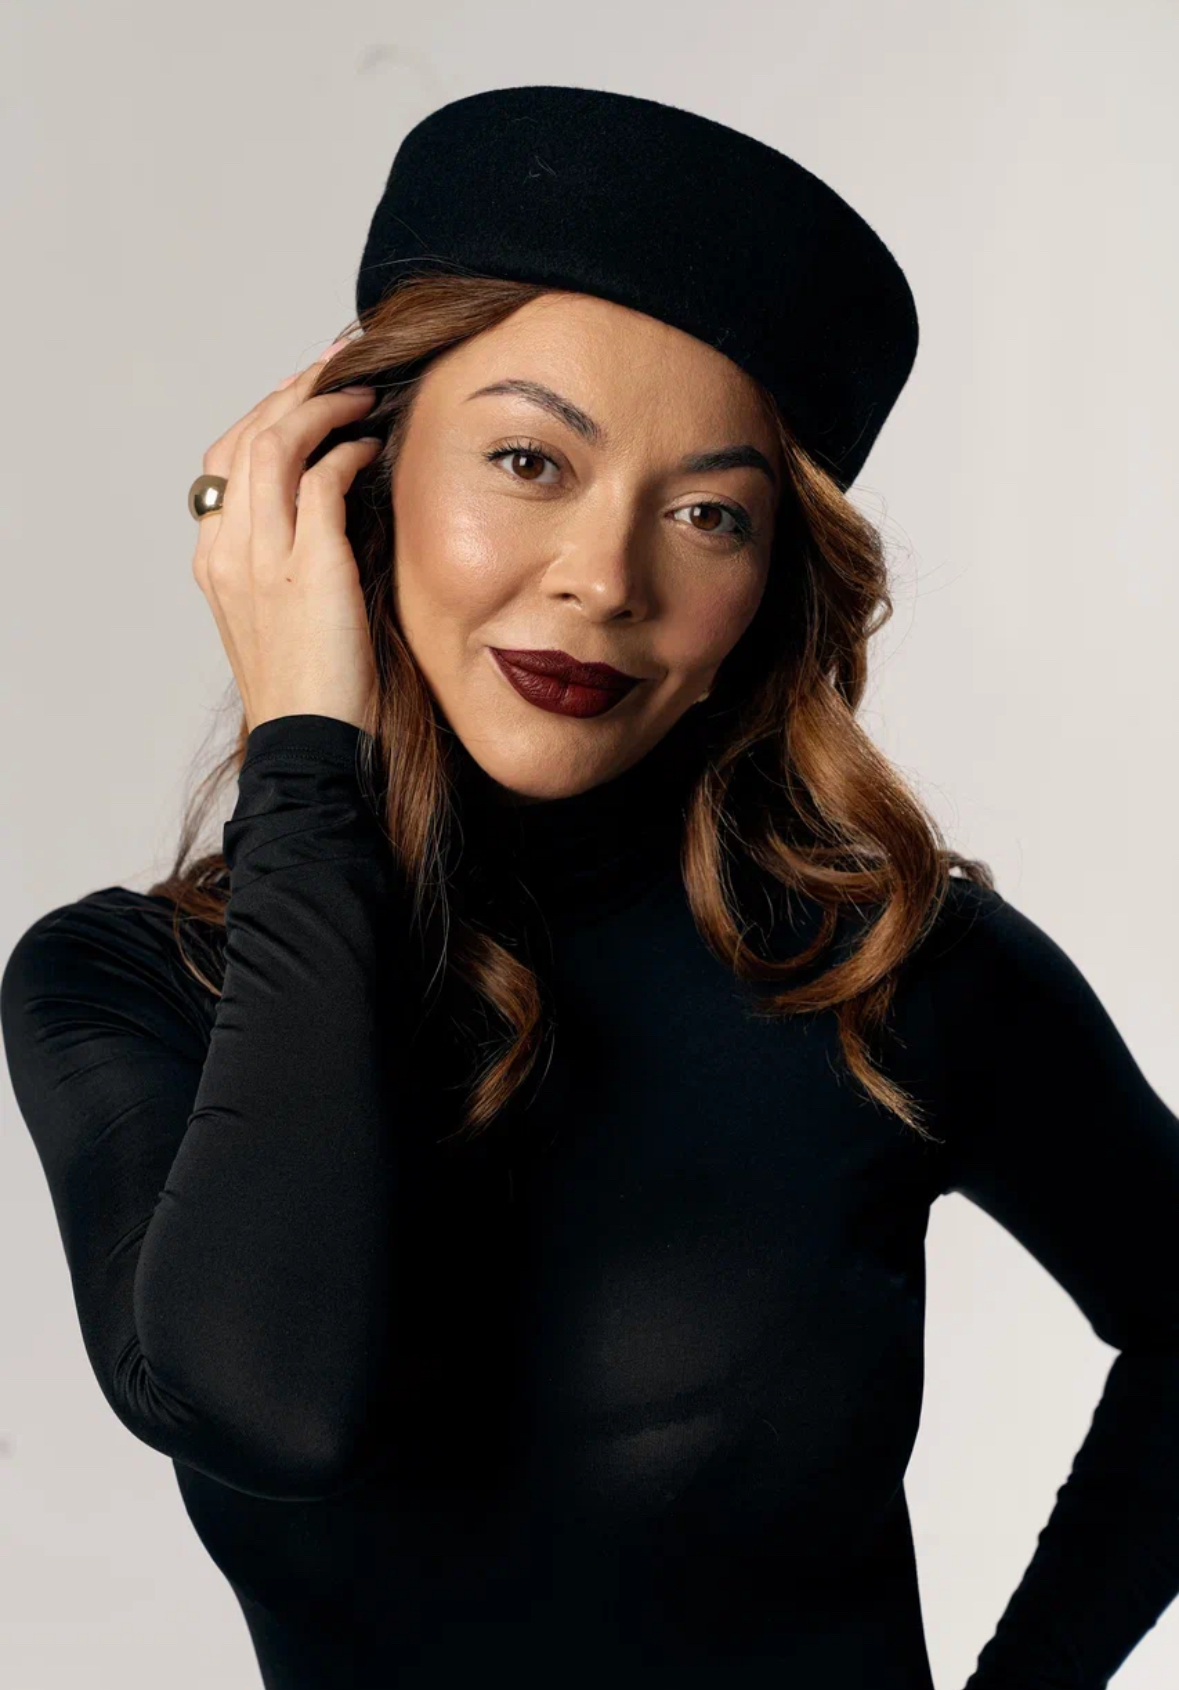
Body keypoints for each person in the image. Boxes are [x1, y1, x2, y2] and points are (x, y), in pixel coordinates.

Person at [3, 83, 1178, 1690]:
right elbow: (269, 1406)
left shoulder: (886, 967)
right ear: (354, 477)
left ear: (770, 583)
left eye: (708, 513)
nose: (607, 577)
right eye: (527, 459)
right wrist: (307, 756)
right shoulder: (127, 987)